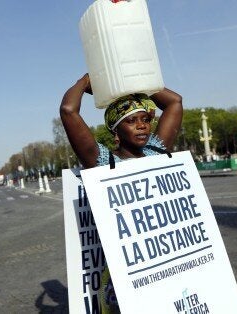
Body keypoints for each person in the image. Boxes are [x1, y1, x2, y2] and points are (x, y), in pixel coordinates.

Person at [60, 73, 183, 313]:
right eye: (132, 121)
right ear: (116, 131)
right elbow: (68, 110)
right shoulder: (104, 163)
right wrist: (87, 82)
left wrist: (129, 84)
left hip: (164, 265)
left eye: (145, 119)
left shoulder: (156, 153)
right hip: (125, 275)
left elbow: (174, 102)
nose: (142, 125)